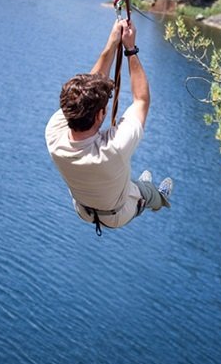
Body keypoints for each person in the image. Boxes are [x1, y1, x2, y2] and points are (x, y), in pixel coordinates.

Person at [45, 19, 173, 235]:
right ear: (100, 116)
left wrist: (112, 42)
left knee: (119, 180)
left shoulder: (53, 132)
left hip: (84, 209)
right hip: (116, 214)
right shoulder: (112, 149)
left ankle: (137, 186)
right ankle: (158, 197)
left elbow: (89, 88)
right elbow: (141, 101)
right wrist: (130, 49)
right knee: (145, 193)